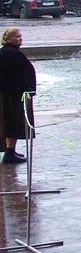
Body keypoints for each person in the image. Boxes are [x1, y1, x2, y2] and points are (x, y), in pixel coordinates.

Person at [0, 27, 34, 164]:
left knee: (10, 124)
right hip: (12, 96)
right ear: (8, 39)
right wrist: (27, 90)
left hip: (12, 95)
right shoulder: (10, 54)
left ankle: (10, 151)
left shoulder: (10, 52)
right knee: (12, 124)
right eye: (17, 36)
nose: (20, 38)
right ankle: (9, 154)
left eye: (21, 36)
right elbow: (16, 75)